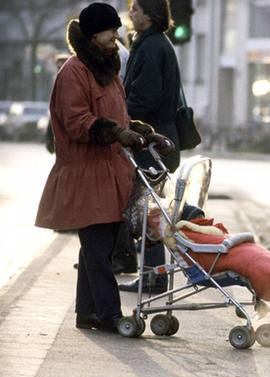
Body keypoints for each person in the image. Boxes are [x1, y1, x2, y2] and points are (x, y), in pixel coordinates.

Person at [34, 2, 172, 332]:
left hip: (109, 173)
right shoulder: (74, 72)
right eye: (111, 31)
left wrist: (144, 132)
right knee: (97, 249)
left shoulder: (106, 70)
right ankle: (109, 314)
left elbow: (119, 116)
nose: (117, 35)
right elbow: (77, 121)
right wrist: (116, 133)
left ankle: (88, 313)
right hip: (85, 173)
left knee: (100, 247)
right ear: (95, 34)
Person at [119, 0, 183, 294]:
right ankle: (153, 274)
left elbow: (144, 99)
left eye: (135, 9)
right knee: (150, 212)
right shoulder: (154, 43)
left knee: (147, 213)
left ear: (150, 14)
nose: (130, 14)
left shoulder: (151, 47)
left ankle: (153, 277)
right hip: (159, 141)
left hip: (152, 143)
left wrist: (120, 119)